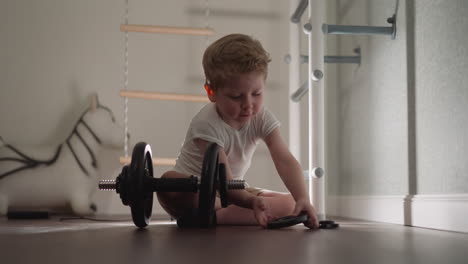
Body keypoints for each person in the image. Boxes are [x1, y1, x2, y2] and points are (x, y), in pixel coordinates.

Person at [157, 33, 318, 229]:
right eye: (236, 96)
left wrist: (303, 197)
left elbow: (284, 159)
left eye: (256, 94)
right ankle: (225, 213)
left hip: (234, 191)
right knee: (167, 183)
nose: (248, 105)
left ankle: (217, 217)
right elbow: (221, 177)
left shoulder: (261, 118)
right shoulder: (206, 124)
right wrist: (250, 202)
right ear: (211, 92)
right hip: (198, 191)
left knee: (291, 203)